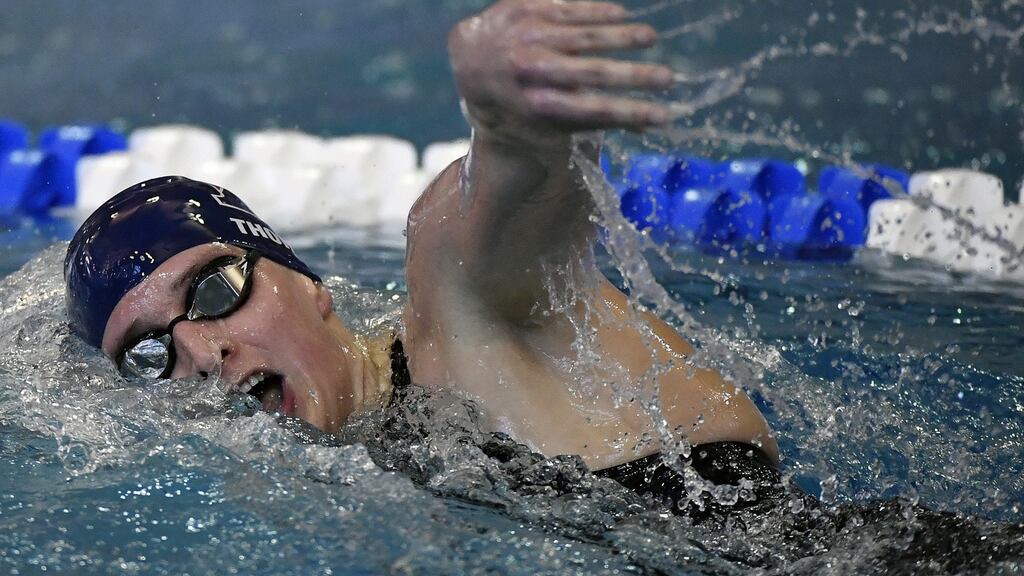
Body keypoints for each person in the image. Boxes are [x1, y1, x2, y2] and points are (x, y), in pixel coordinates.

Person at [64, 0, 779, 509]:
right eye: (148, 354)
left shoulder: (460, 314)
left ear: (311, 286)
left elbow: (514, 200)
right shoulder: (349, 464)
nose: (198, 350)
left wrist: (509, 113)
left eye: (216, 290)